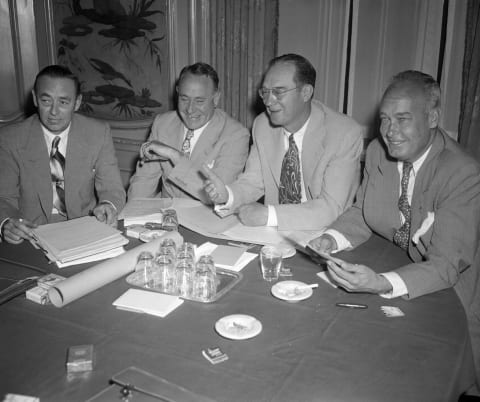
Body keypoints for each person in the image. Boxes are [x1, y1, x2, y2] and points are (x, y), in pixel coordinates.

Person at [308, 70, 480, 393]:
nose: (389, 132)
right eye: (385, 119)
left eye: (402, 119)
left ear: (432, 117)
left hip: (456, 295)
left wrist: (381, 282)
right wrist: (330, 238)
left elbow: (446, 266)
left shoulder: (462, 173)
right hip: (407, 272)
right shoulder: (377, 152)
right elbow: (362, 211)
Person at [202, 54, 364, 231]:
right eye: (265, 92)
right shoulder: (262, 125)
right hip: (274, 234)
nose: (269, 102)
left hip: (325, 235)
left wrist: (269, 215)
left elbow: (331, 207)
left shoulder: (344, 133)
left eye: (278, 92)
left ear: (306, 93)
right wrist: (227, 195)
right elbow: (254, 181)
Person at [0, 65, 126, 244]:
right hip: (30, 235)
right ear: (35, 99)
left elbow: (113, 189)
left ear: (77, 102)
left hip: (84, 230)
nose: (53, 112)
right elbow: (4, 197)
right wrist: (6, 222)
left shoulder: (98, 132)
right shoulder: (10, 138)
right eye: (46, 101)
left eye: (63, 102)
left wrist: (108, 206)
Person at [128, 62, 250, 204]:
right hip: (168, 217)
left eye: (199, 101)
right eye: (184, 99)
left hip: (208, 220)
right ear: (177, 93)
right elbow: (143, 182)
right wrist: (130, 216)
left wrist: (175, 156)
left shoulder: (236, 135)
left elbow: (217, 196)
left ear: (216, 98)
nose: (190, 109)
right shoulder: (162, 123)